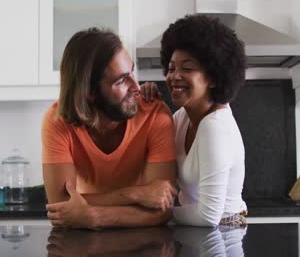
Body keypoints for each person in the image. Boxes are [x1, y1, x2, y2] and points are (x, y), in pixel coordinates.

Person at [42, 28, 178, 229]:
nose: (136, 87)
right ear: (89, 92)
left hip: (143, 243)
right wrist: (135, 194)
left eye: (132, 72)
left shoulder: (155, 115)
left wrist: (94, 216)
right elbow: (61, 206)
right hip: (83, 243)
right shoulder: (57, 122)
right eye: (122, 80)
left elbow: (161, 209)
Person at [141, 14, 247, 226]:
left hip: (224, 234)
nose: (174, 76)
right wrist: (145, 104)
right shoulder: (182, 117)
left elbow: (209, 216)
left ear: (214, 78)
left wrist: (163, 214)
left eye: (187, 68)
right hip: (196, 230)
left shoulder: (215, 126)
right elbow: (150, 150)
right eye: (171, 68)